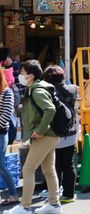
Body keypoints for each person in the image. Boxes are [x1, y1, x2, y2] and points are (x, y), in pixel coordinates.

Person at [5, 60, 61, 214]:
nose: (20, 76)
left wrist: (41, 130)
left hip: (44, 136)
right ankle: (54, 204)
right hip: (50, 135)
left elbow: (49, 110)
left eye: (22, 73)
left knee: (28, 169)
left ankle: (25, 206)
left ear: (30, 75)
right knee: (49, 170)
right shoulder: (37, 88)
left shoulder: (37, 90)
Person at [42, 66, 79, 204]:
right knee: (68, 164)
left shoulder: (50, 91)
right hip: (71, 131)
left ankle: (55, 194)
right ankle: (69, 195)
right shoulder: (72, 89)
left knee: (55, 165)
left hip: (56, 132)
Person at [0, 68, 17, 207]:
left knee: (0, 165)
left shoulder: (7, 92)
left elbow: (5, 116)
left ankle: (13, 194)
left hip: (0, 133)